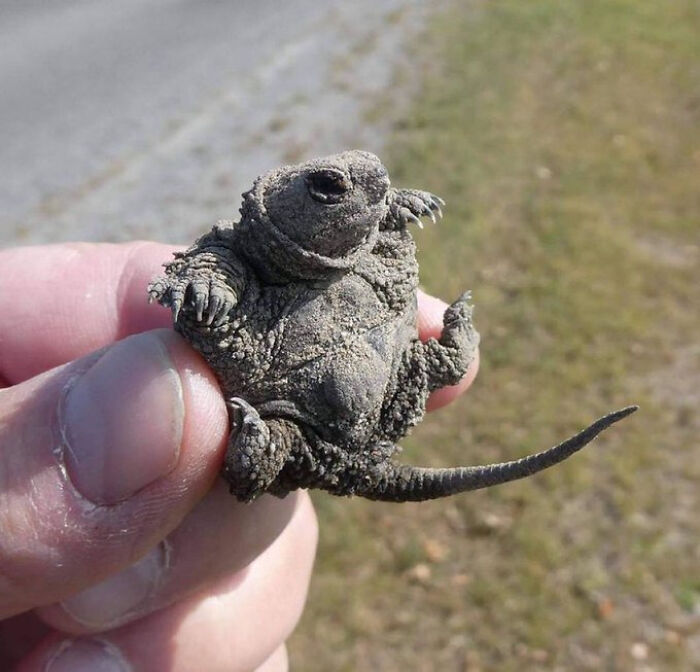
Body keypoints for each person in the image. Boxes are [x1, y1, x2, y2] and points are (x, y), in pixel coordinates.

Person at [0, 242, 478, 672]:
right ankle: (266, 449)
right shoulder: (241, 248)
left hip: (349, 414)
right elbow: (201, 272)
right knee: (255, 464)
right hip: (284, 419)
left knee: (436, 363)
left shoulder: (374, 245)